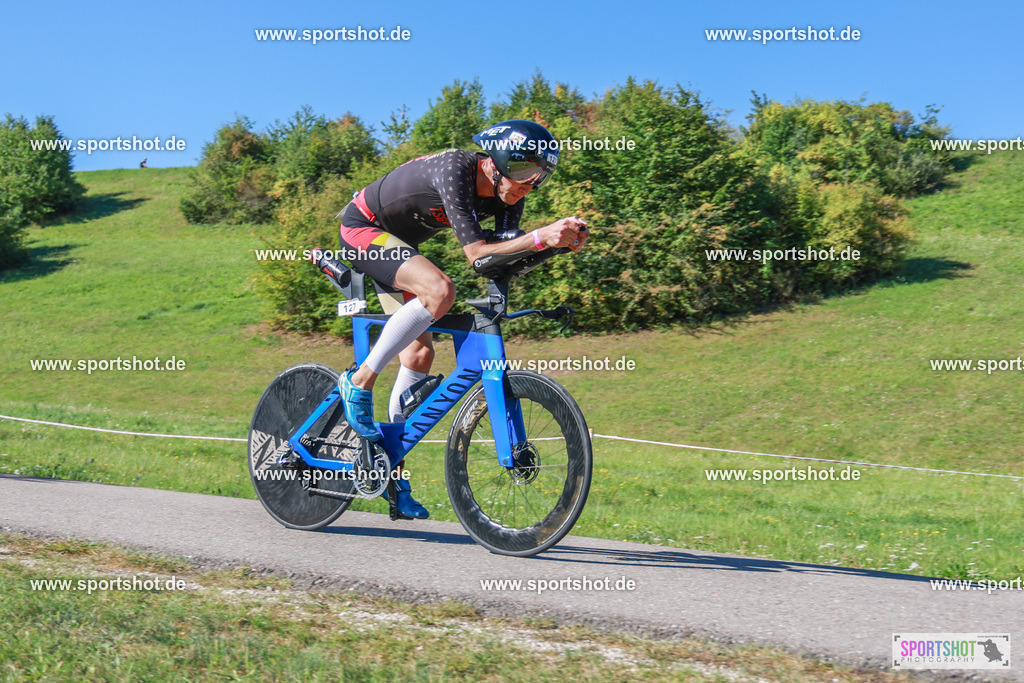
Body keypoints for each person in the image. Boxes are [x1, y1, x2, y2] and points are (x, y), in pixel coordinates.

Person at [335, 119, 589, 519]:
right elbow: (476, 254)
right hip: (363, 228)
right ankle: (360, 380)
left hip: (400, 246)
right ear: (499, 161)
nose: (530, 184)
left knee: (418, 356)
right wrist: (540, 236)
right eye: (524, 171)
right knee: (439, 290)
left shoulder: (509, 196)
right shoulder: (455, 169)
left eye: (539, 177)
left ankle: (390, 477)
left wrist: (555, 246)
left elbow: (497, 261)